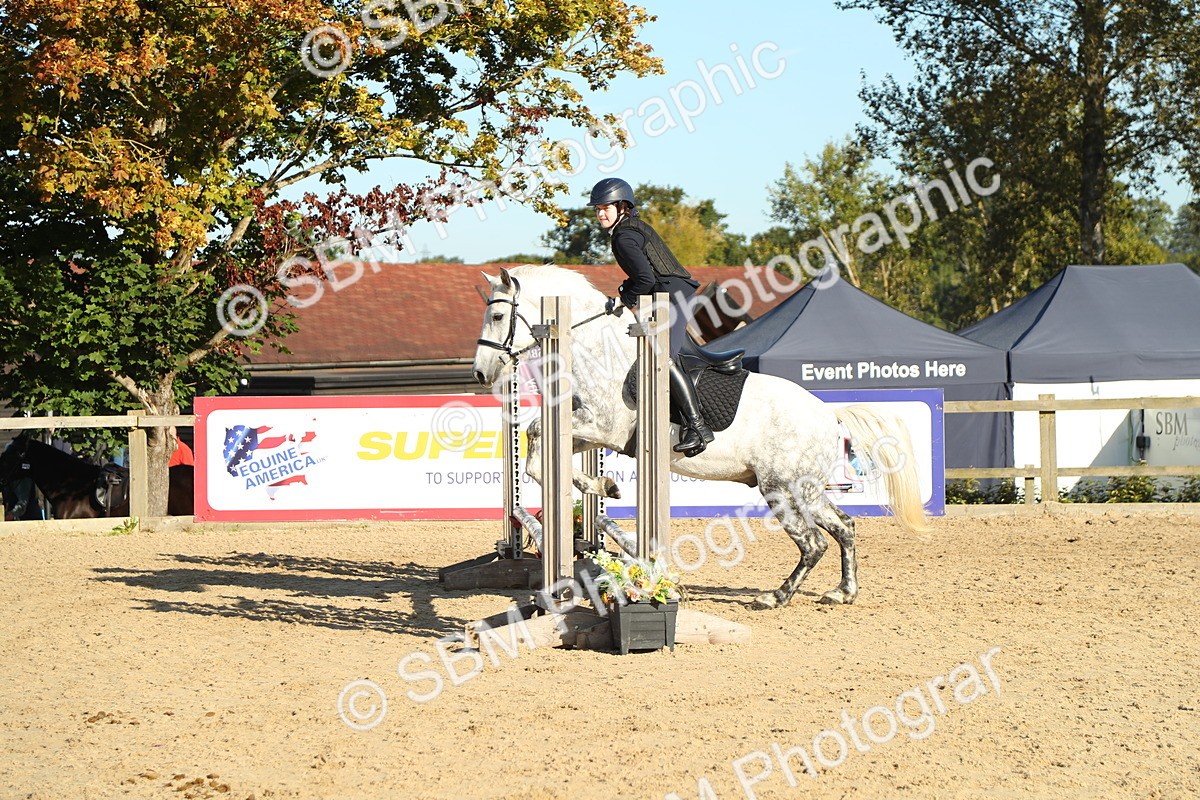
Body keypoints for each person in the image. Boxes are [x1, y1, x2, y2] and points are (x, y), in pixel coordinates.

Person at [588, 177, 714, 456]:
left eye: (605, 208)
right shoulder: (629, 230)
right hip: (667, 292)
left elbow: (644, 278)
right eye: (597, 209)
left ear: (622, 206)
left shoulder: (624, 235)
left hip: (670, 294)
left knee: (662, 357)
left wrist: (624, 299)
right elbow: (642, 277)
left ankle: (698, 426)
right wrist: (625, 291)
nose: (600, 214)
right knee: (664, 356)